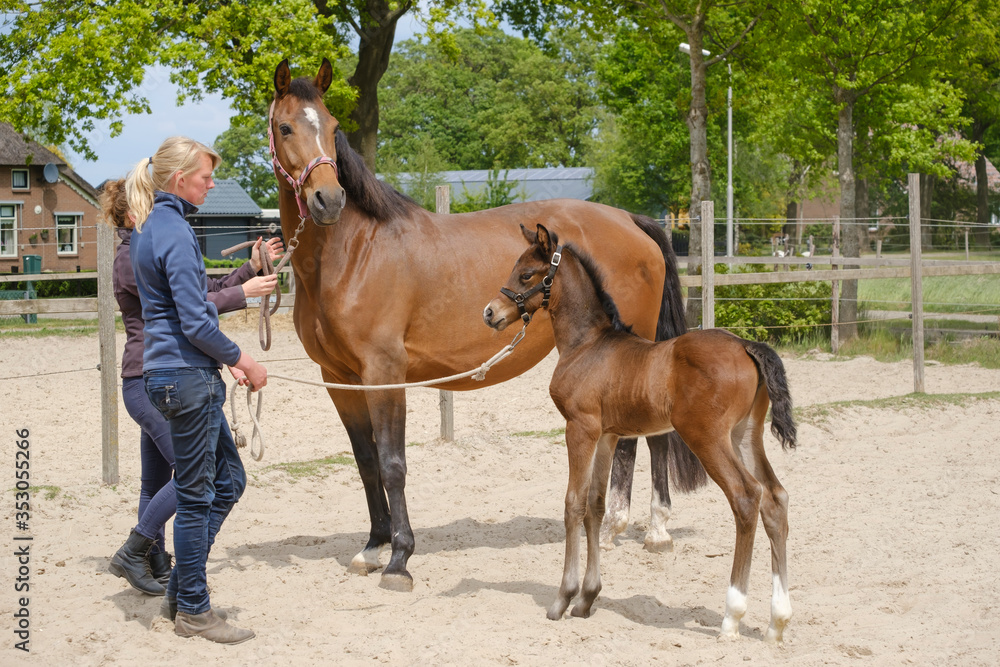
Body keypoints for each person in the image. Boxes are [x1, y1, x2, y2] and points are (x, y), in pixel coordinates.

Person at [100, 179, 281, 601]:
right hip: (159, 378)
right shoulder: (131, 257)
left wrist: (248, 271)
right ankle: (136, 548)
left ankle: (155, 560)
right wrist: (244, 292)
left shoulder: (141, 249)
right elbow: (190, 309)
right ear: (131, 215)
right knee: (198, 477)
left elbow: (200, 293)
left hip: (149, 377)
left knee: (155, 479)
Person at [124, 136, 268, 644]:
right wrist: (241, 358)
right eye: (205, 176)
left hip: (172, 375)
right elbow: (195, 321)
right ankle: (193, 608)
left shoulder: (150, 228)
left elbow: (194, 306)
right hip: (186, 377)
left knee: (227, 483)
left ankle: (182, 590)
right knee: (197, 495)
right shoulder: (175, 231)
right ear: (180, 178)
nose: (211, 184)